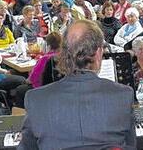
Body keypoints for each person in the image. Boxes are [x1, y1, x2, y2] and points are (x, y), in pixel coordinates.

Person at [18, 20, 136, 150]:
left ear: (63, 55)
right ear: (98, 53)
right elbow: (130, 146)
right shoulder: (123, 94)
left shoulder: (35, 99)